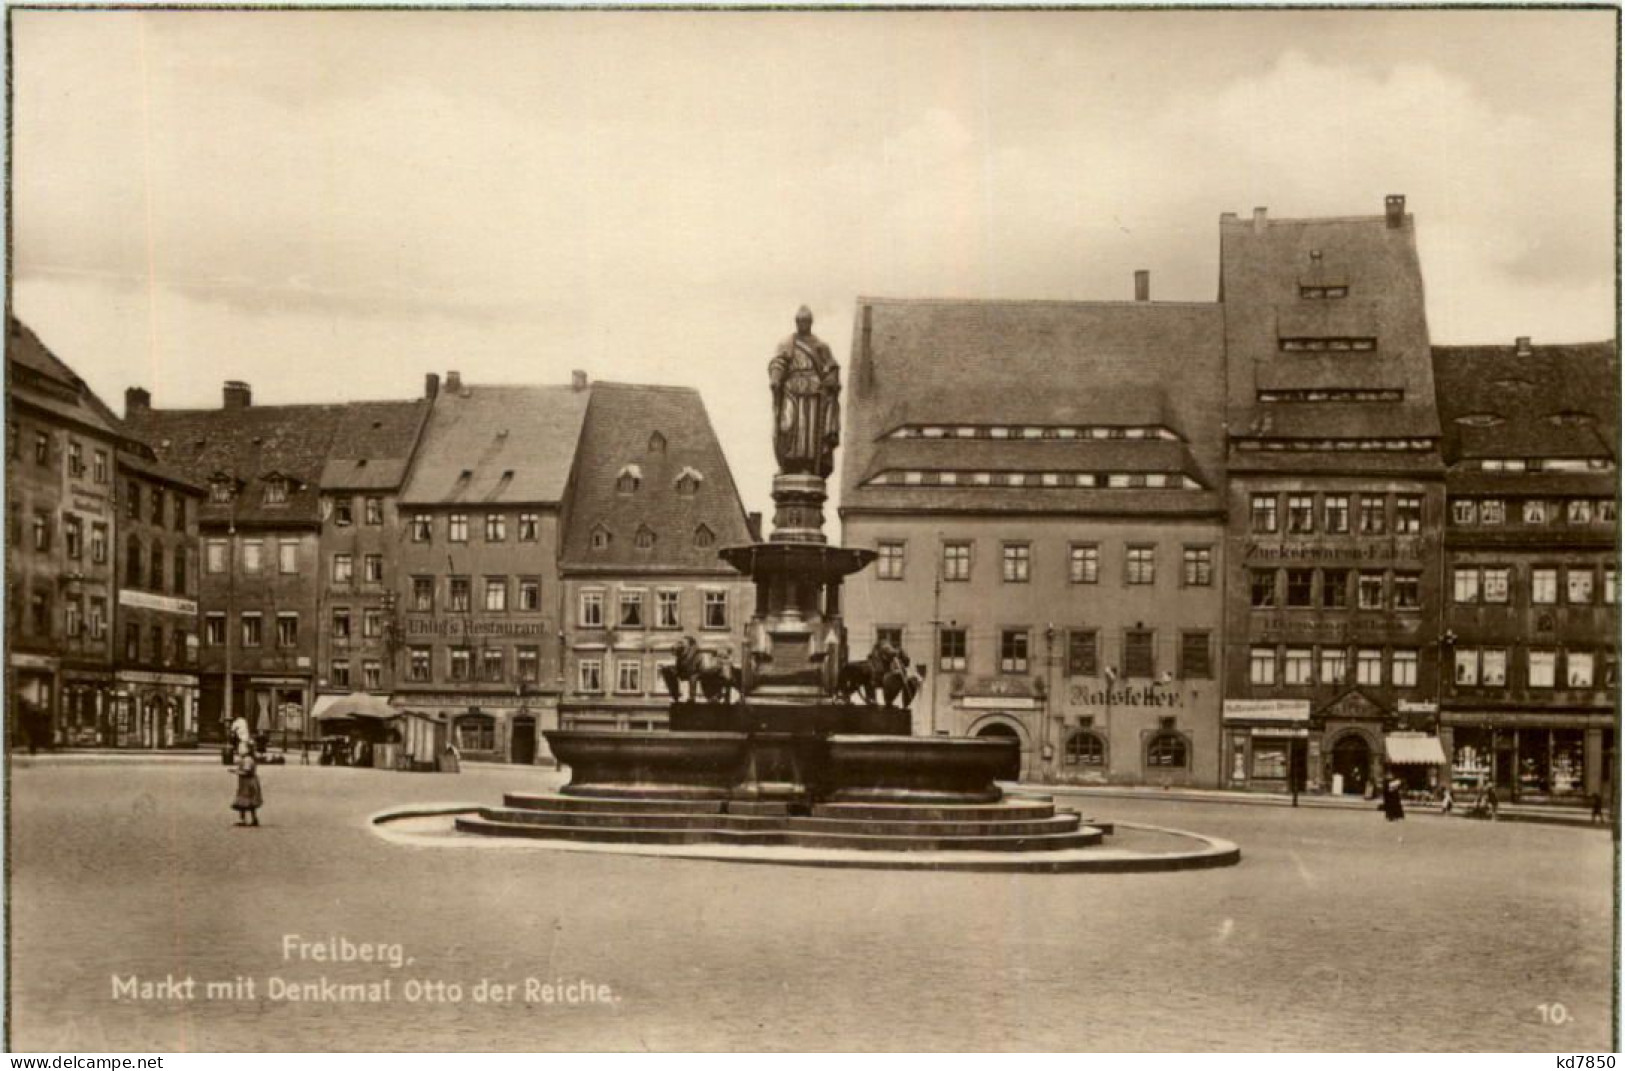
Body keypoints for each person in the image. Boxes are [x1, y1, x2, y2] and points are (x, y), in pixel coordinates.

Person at [768, 306, 842, 478]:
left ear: (810, 322)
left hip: (813, 394)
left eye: (805, 321)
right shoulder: (787, 343)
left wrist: (830, 381)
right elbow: (778, 362)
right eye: (799, 321)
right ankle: (787, 464)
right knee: (787, 425)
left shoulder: (821, 346)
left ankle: (806, 464)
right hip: (791, 390)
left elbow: (832, 368)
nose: (802, 324)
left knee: (807, 430)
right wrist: (775, 378)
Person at [230, 743, 263, 827]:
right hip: (249, 782)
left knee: (243, 801)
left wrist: (235, 772)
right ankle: (254, 818)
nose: (239, 750)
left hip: (247, 783)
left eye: (241, 748)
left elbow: (246, 771)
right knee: (250, 802)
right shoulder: (248, 758)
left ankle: (242, 819)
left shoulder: (247, 759)